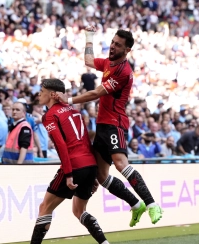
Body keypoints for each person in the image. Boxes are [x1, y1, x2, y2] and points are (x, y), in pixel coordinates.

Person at [54, 27, 162, 227]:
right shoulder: (108, 63)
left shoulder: (123, 71)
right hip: (103, 125)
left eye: (118, 45)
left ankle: (151, 203)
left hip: (116, 124)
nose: (112, 47)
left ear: (127, 50)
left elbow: (95, 94)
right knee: (101, 176)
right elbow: (88, 61)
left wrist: (68, 99)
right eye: (112, 42)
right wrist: (88, 37)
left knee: (121, 164)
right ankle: (135, 204)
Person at [6, 79, 116, 244]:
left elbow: (61, 146)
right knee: (79, 210)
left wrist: (68, 173)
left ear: (51, 94)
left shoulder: (51, 115)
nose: (38, 94)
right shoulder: (76, 112)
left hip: (74, 165)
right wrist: (94, 172)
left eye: (41, 91)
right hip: (89, 164)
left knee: (45, 207)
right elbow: (86, 142)